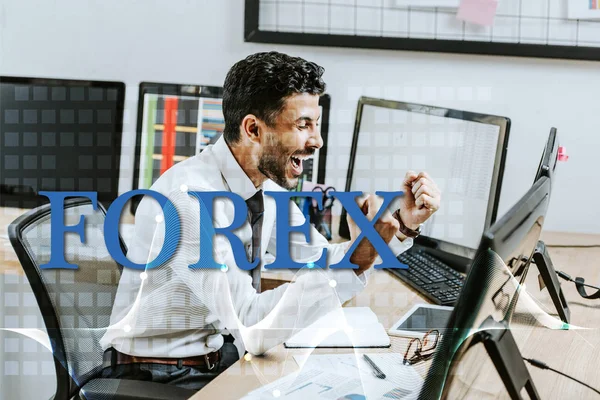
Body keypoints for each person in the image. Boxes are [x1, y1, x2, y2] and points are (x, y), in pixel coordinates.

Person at [100, 51, 441, 391]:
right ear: (253, 129)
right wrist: (356, 259)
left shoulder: (261, 187)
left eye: (316, 125)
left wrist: (401, 226)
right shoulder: (190, 203)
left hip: (212, 358)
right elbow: (251, 326)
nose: (317, 141)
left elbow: (318, 259)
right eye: (302, 125)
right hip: (156, 380)